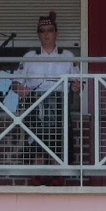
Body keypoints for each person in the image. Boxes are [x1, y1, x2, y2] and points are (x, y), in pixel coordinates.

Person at [12, 12, 78, 169]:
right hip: (35, 105)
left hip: (59, 104)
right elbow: (15, 82)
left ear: (56, 32)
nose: (46, 34)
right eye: (42, 31)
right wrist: (20, 89)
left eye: (50, 29)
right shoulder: (29, 56)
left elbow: (78, 81)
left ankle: (56, 185)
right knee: (37, 148)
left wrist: (77, 86)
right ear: (38, 34)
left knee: (58, 148)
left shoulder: (68, 55)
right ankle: (38, 184)